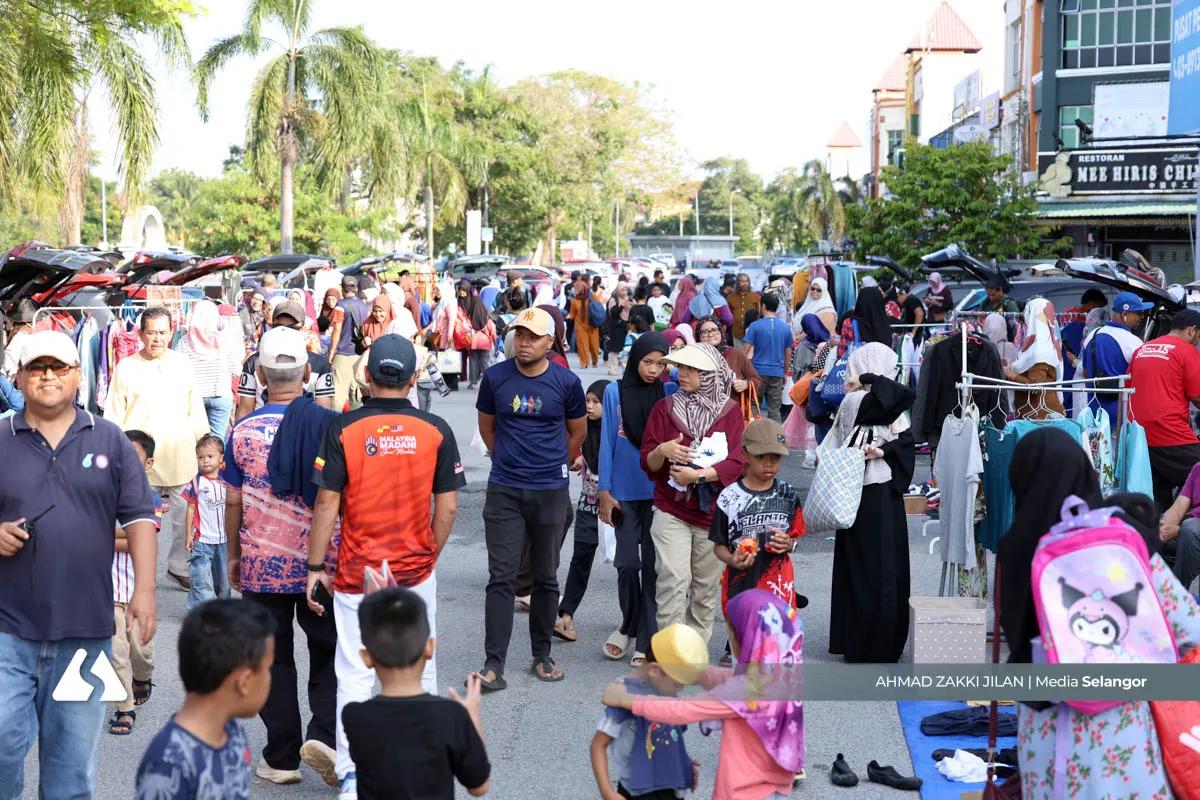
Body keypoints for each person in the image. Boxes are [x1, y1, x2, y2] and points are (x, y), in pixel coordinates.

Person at [996, 430, 1200, 799]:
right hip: (1123, 727)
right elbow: (1190, 629)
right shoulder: (1119, 544)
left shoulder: (1016, 549)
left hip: (1043, 733)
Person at [0, 331, 159, 798]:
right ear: (20, 377)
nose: (48, 376)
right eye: (37, 368)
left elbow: (140, 517)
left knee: (71, 766)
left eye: (59, 367)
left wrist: (145, 590)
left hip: (86, 635)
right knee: (2, 749)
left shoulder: (109, 437)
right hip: (7, 631)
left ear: (78, 376)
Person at [308, 334, 465, 791]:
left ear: (366, 376)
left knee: (355, 672)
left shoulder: (343, 429)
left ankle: (354, 777)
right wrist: (426, 556)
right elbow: (449, 508)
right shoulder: (436, 429)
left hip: (359, 572)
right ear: (415, 377)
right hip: (415, 571)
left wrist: (316, 568)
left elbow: (326, 504)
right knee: (422, 668)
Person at [222, 325, 340, 786]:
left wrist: (233, 555)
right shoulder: (331, 426)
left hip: (260, 565)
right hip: (322, 566)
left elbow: (232, 500)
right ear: (308, 372)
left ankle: (283, 757)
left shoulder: (243, 431)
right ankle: (325, 735)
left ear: (261, 375)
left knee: (272, 658)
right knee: (328, 651)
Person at [601, 589, 805, 800]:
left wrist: (628, 700)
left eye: (731, 632)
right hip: (775, 785)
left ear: (748, 639)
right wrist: (694, 670)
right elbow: (727, 678)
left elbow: (683, 710)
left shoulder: (745, 690)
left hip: (745, 791)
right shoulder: (780, 675)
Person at [475, 307, 586, 687]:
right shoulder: (494, 378)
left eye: (532, 336)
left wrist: (553, 463)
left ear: (550, 342)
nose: (523, 342)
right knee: (501, 577)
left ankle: (542, 654)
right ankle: (494, 663)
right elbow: (487, 428)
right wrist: (507, 459)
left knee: (545, 575)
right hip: (504, 488)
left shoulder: (566, 383)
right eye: (519, 334)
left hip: (550, 490)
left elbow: (577, 434)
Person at [640, 343, 746, 643]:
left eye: (690, 369)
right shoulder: (665, 408)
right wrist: (662, 449)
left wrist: (697, 476)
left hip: (712, 513)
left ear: (710, 374)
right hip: (670, 507)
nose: (681, 374)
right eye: (681, 367)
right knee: (673, 579)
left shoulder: (729, 411)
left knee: (704, 587)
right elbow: (647, 461)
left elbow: (736, 462)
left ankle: (694, 649)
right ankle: (671, 652)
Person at [344, 587, 491, 800]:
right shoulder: (451, 716)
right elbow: (479, 786)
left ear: (366, 657)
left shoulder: (355, 716)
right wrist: (472, 721)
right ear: (430, 647)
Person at [106, 305, 209, 591]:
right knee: (139, 519)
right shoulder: (126, 367)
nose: (157, 338)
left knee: (182, 518)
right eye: (151, 332)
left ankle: (178, 566)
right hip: (137, 458)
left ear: (172, 333)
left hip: (180, 452)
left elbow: (195, 407)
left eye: (163, 332)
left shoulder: (183, 364)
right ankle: (141, 567)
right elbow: (113, 412)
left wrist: (204, 441)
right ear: (140, 334)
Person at [134, 599, 275, 800]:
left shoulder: (232, 732)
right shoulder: (168, 764)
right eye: (267, 669)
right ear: (244, 682)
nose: (270, 678)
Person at [828, 343, 915, 663]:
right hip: (875, 491)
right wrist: (869, 377)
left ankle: (859, 640)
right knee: (883, 567)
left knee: (864, 566)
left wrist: (884, 450)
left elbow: (903, 438)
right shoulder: (865, 401)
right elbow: (904, 405)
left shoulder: (865, 401)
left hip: (865, 489)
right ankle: (882, 641)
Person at [598, 333, 673, 665]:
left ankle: (646, 638)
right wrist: (604, 492)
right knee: (627, 565)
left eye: (660, 363)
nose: (653, 369)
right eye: (647, 362)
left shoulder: (669, 394)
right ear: (635, 360)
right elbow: (606, 447)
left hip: (660, 493)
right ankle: (629, 623)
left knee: (653, 569)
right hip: (624, 493)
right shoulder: (615, 393)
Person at [590, 625, 708, 800]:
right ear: (655, 670)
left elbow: (669, 733)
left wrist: (681, 760)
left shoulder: (664, 687)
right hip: (638, 790)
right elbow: (598, 745)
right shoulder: (623, 693)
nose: (680, 688)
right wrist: (607, 791)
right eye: (677, 683)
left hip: (670, 786)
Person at [710, 418, 806, 616]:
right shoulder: (729, 497)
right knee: (745, 645)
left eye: (776, 457)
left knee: (778, 645)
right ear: (745, 453)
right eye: (761, 456)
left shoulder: (787, 493)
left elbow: (795, 536)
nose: (769, 463)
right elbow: (719, 545)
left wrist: (789, 544)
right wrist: (732, 559)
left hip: (780, 587)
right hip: (741, 587)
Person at [109, 430, 161, 736]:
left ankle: (143, 676)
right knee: (115, 653)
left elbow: (143, 539)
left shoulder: (150, 496)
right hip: (105, 591)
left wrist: (106, 535)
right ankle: (124, 707)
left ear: (148, 463)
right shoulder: (99, 495)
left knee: (140, 651)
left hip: (137, 590)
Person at [555, 380, 611, 644]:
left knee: (627, 566)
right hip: (589, 500)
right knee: (581, 557)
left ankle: (631, 622)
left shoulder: (621, 430)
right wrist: (581, 459)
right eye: (587, 401)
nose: (589, 407)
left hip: (617, 502)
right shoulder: (583, 428)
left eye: (596, 402)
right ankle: (566, 615)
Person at [1129, 309, 1200, 510]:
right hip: (1171, 434)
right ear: (1192, 331)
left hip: (1140, 436)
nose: (1197, 342)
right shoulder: (1187, 351)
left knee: (1158, 499)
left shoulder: (1142, 349)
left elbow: (1127, 388)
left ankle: (1159, 535)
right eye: (1198, 337)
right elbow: (1197, 396)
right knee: (1197, 475)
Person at [234, 300, 336, 422]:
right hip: (262, 430)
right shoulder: (253, 362)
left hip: (302, 431)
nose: (285, 332)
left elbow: (323, 412)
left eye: (292, 328)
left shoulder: (320, 364)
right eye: (279, 327)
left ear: (304, 328)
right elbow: (245, 410)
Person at [1079, 291, 1150, 424]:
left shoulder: (1093, 334)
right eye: (1139, 313)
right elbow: (1142, 380)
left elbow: (1085, 372)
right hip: (1123, 415)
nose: (1141, 318)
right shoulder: (1133, 342)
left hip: (1094, 413)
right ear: (1124, 315)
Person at [176, 299, 242, 437]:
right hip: (221, 395)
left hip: (194, 398)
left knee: (196, 441)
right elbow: (237, 370)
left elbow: (177, 370)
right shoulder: (224, 341)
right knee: (217, 442)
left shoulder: (185, 342)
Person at [183, 434, 231, 610]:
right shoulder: (197, 483)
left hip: (223, 540)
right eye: (201, 457)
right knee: (201, 580)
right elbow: (190, 509)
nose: (205, 461)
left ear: (221, 458)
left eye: (210, 456)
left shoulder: (228, 481)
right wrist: (188, 534)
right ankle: (201, 614)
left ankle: (224, 613)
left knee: (224, 584)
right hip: (202, 540)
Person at [1003, 298, 1065, 419]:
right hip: (1038, 413)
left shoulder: (1040, 349)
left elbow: (1035, 386)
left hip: (1039, 417)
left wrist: (1010, 374)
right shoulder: (1047, 344)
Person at [743, 293, 793, 423]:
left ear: (763, 306)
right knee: (774, 409)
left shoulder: (755, 326)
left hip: (757, 372)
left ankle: (754, 436)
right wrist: (785, 372)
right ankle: (775, 439)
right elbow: (788, 352)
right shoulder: (785, 328)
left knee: (754, 405)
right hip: (776, 372)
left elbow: (745, 350)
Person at [697, 316, 760, 415]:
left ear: (721, 332)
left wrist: (745, 384)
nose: (710, 334)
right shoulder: (695, 357)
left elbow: (757, 380)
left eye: (714, 330)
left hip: (733, 414)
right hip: (704, 414)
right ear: (698, 336)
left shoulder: (737, 355)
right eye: (704, 332)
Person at [328, 275, 371, 411]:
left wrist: (332, 351)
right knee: (357, 394)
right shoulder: (365, 307)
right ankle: (356, 425)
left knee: (338, 394)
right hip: (360, 354)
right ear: (356, 288)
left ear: (342, 289)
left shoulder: (341, 306)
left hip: (342, 353)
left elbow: (337, 329)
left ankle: (334, 424)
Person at [1158, 460, 1200, 591]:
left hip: (1192, 531)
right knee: (1147, 528)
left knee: (1189, 529)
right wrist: (1158, 527)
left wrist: (1178, 531)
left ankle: (1177, 598)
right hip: (1192, 530)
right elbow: (1179, 507)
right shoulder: (1198, 469)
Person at [459, 278, 494, 390]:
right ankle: (488, 382)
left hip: (472, 339)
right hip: (484, 341)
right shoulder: (484, 314)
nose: (462, 293)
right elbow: (492, 330)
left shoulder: (465, 305)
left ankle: (473, 382)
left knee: (474, 362)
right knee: (485, 363)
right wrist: (494, 342)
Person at [569, 279, 601, 369]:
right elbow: (572, 314)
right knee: (582, 345)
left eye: (576, 288)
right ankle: (584, 363)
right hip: (580, 326)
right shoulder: (575, 300)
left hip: (592, 325)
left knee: (594, 346)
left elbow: (599, 308)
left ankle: (595, 361)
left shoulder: (593, 297)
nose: (574, 290)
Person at [727, 273, 760, 348]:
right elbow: (729, 315)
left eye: (746, 281)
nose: (745, 283)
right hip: (737, 333)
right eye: (742, 281)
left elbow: (759, 314)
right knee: (739, 356)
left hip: (753, 334)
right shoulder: (730, 297)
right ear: (738, 283)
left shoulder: (756, 297)